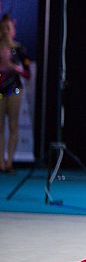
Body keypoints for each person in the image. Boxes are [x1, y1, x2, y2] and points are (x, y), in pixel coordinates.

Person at [0, 15, 31, 174]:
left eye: (9, 28)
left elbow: (27, 73)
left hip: (15, 89)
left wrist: (15, 68)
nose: (6, 31)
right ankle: (1, 162)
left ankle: (10, 162)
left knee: (13, 124)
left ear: (13, 31)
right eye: (3, 28)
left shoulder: (19, 49)